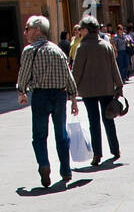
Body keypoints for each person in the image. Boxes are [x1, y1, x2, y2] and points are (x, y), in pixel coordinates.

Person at [16, 15, 79, 187]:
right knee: (61, 134)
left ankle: (44, 165)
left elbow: (24, 73)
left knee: (39, 135)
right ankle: (66, 170)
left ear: (37, 30)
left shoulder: (30, 51)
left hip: (41, 96)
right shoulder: (57, 50)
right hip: (59, 95)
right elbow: (68, 75)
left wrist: (21, 91)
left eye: (27, 28)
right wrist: (73, 98)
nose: (25, 32)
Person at [72, 15, 124, 165]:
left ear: (87, 30)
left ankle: (97, 154)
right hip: (106, 88)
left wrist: (72, 89)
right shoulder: (105, 45)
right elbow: (114, 67)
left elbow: (77, 71)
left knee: (93, 121)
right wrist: (119, 85)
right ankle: (115, 149)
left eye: (81, 29)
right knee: (109, 119)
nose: (80, 31)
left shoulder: (82, 47)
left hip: (88, 91)